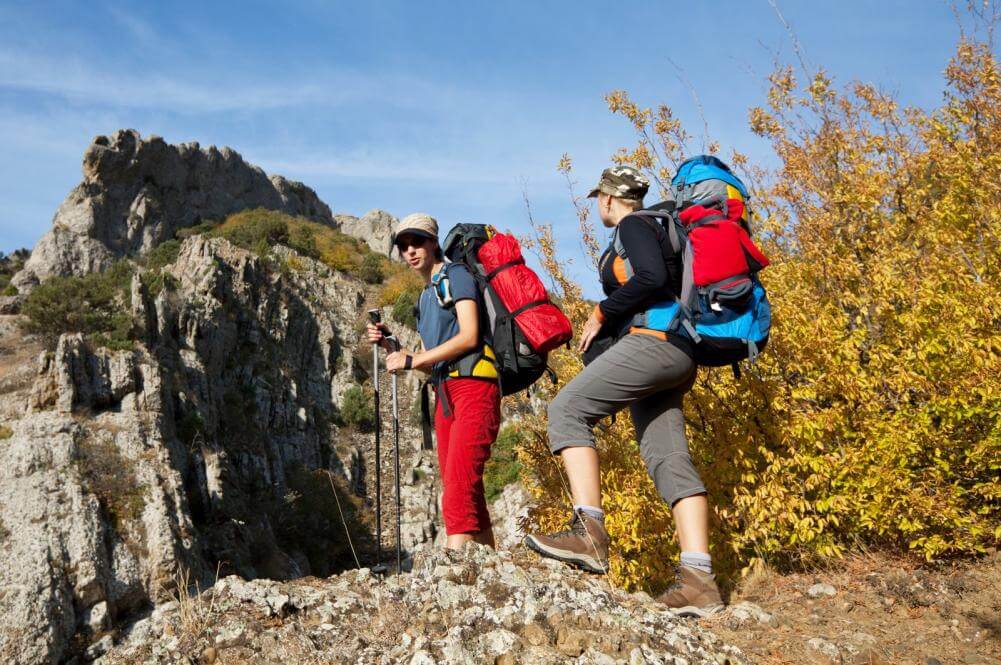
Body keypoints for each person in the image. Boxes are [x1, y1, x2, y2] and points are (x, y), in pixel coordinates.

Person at [523, 167, 723, 617]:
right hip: (679, 353)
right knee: (668, 458)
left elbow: (650, 278)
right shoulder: (662, 226)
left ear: (609, 199)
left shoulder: (635, 225)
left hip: (653, 345)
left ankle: (589, 534)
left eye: (599, 199)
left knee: (567, 409)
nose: (599, 206)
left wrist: (600, 312)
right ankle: (699, 581)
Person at [367, 213, 500, 549]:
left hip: (474, 385)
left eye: (417, 242)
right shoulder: (425, 297)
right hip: (444, 394)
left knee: (458, 485)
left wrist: (413, 358)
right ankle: (492, 568)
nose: (410, 251)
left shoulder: (456, 275)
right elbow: (430, 361)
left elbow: (470, 336)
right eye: (403, 246)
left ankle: (454, 575)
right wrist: (392, 346)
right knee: (464, 486)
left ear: (433, 242)